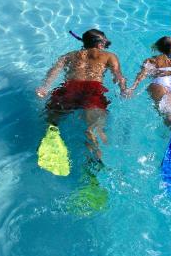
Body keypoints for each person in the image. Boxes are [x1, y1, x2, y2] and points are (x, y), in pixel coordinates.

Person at [36, 29, 126, 161]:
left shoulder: (69, 55)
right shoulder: (109, 56)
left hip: (69, 88)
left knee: (51, 118)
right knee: (93, 128)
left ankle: (51, 132)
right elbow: (118, 75)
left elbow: (54, 71)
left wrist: (44, 87)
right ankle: (94, 161)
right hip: (92, 90)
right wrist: (123, 88)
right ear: (100, 44)